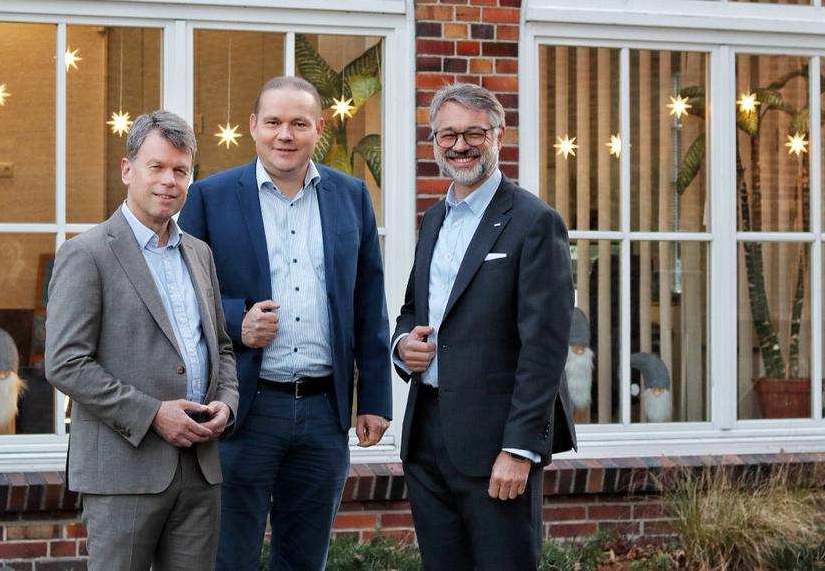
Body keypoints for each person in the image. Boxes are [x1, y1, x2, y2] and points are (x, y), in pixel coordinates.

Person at [178, 75, 392, 570]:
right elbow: (181, 294)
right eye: (273, 122)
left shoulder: (351, 196)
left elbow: (368, 301)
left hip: (324, 414)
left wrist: (375, 399)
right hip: (244, 411)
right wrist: (238, 321)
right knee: (229, 558)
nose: (285, 135)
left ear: (319, 128)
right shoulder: (209, 197)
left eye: (299, 123)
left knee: (304, 559)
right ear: (253, 126)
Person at [392, 83, 577, 570]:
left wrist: (520, 449)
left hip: (497, 445)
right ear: (434, 141)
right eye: (448, 134)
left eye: (474, 133)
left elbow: (545, 348)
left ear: (499, 135)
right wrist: (403, 345)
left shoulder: (535, 221)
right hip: (426, 436)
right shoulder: (434, 219)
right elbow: (413, 309)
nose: (460, 146)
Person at [45, 110, 239, 571]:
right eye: (157, 167)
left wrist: (227, 405)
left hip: (200, 470)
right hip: (122, 473)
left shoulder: (199, 253)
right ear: (127, 169)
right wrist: (152, 414)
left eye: (181, 170)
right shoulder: (86, 254)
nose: (169, 180)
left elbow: (222, 347)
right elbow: (66, 363)